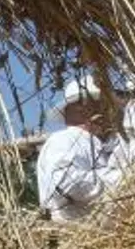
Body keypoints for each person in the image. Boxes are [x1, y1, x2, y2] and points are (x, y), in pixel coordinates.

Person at [35, 76, 123, 223]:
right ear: (79, 109)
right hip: (79, 233)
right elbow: (68, 183)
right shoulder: (64, 139)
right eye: (100, 105)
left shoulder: (96, 143)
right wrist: (120, 179)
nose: (107, 112)